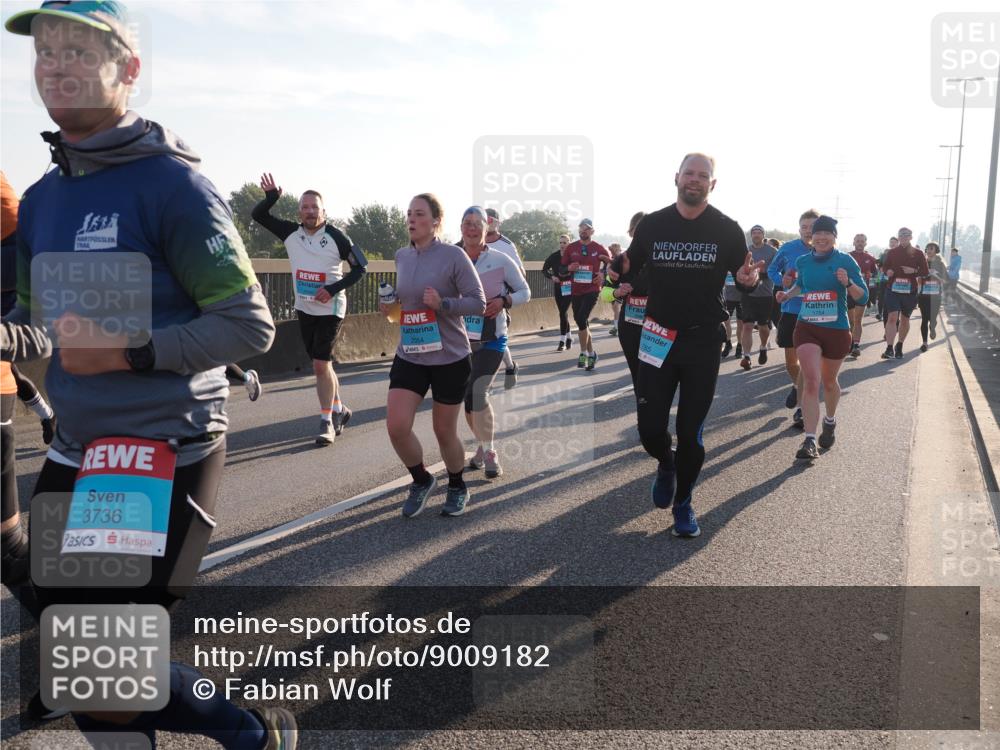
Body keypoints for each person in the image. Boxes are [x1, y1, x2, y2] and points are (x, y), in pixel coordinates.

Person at [4, 3, 292, 747]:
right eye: (44, 52)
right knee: (92, 680)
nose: (56, 65)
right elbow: (45, 327)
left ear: (128, 70)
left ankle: (252, 732)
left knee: (97, 671)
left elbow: (248, 326)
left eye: (78, 50)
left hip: (162, 451)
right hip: (75, 451)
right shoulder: (41, 201)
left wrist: (132, 352)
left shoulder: (175, 189)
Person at [625, 153, 764, 538]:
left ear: (712, 185)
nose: (695, 180)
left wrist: (748, 280)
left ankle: (684, 502)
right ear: (676, 178)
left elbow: (746, 276)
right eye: (690, 173)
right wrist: (613, 272)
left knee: (691, 432)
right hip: (656, 336)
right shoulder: (653, 224)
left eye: (703, 176)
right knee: (650, 429)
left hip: (702, 339)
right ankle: (666, 463)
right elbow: (629, 264)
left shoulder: (726, 228)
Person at [384, 194, 485, 518]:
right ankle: (422, 479)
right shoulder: (401, 256)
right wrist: (391, 307)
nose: (411, 219)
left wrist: (444, 304)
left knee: (444, 431)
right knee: (396, 425)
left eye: (419, 214)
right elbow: (403, 307)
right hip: (411, 353)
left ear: (436, 221)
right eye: (408, 213)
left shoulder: (453, 256)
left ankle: (457, 485)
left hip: (449, 357)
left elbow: (478, 302)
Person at [252, 174, 367, 444]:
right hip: (304, 308)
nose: (310, 212)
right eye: (305, 207)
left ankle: (326, 420)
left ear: (324, 211)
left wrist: (332, 289)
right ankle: (340, 408)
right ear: (299, 211)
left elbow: (361, 268)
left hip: (331, 309)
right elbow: (259, 216)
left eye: (315, 207)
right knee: (322, 365)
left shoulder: (338, 237)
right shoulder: (291, 233)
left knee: (319, 364)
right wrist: (270, 198)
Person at [775, 216, 867, 460]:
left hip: (836, 330)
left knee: (829, 382)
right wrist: (787, 294)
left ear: (835, 237)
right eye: (818, 234)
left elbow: (863, 296)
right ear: (812, 237)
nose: (822, 238)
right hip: (807, 327)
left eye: (828, 233)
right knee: (812, 381)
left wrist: (847, 283)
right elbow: (801, 286)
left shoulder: (845, 260)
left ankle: (830, 420)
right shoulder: (803, 261)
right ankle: (809, 440)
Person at [458, 206, 530, 479]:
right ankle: (481, 444)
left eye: (477, 223)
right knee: (467, 401)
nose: (472, 228)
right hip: (460, 339)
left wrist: (504, 301)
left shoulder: (501, 259)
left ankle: (489, 452)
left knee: (478, 392)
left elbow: (525, 291)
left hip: (492, 338)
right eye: (467, 223)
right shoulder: (452, 256)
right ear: (460, 227)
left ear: (486, 229)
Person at [1, 171, 56, 442]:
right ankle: (47, 415)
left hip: (11, 250)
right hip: (18, 250)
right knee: (8, 367)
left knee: (6, 364)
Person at [768, 209, 820, 429]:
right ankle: (797, 386)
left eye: (813, 227)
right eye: (804, 227)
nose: (808, 231)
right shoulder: (789, 248)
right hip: (791, 310)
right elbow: (772, 270)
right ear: (799, 229)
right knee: (791, 362)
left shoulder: (827, 252)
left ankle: (801, 407)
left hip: (816, 312)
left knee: (809, 363)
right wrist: (784, 281)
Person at [605, 211, 648, 391]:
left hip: (656, 328)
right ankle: (645, 417)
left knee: (654, 377)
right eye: (637, 230)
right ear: (630, 233)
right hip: (629, 326)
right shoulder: (621, 260)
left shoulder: (663, 260)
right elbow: (605, 293)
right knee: (638, 377)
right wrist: (617, 292)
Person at [561, 218, 611, 370]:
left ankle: (582, 353)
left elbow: (613, 263)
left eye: (587, 228)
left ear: (592, 231)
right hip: (576, 290)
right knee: (582, 322)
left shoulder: (599, 248)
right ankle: (591, 353)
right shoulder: (571, 248)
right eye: (581, 228)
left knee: (581, 318)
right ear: (578, 231)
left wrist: (603, 273)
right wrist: (570, 267)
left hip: (592, 289)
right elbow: (561, 269)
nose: (584, 231)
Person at [485, 208, 525, 389]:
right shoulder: (469, 242)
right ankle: (488, 377)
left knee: (494, 338)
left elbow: (521, 274)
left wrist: (505, 297)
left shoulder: (506, 245)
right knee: (476, 341)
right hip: (474, 300)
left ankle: (508, 368)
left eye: (491, 219)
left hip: (498, 299)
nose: (487, 223)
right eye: (484, 219)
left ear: (498, 222)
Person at [881, 227, 928, 360]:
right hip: (893, 289)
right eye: (901, 235)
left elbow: (925, 271)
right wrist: (887, 271)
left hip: (909, 291)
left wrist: (913, 271)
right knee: (892, 317)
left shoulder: (918, 253)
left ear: (911, 237)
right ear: (898, 237)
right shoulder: (892, 252)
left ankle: (899, 345)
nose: (904, 237)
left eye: (906, 235)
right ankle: (889, 348)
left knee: (905, 319)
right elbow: (885, 267)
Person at [737, 224, 776, 369]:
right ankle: (746, 356)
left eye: (759, 232)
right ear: (751, 235)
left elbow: (776, 270)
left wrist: (760, 274)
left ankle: (763, 347)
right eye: (754, 232)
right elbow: (739, 268)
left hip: (765, 294)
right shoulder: (746, 250)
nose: (756, 235)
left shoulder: (772, 251)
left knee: (763, 326)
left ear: (763, 235)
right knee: (747, 325)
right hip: (748, 294)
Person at [847, 233, 877, 358]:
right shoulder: (847, 256)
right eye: (857, 241)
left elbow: (876, 275)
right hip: (848, 292)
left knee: (858, 320)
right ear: (853, 242)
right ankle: (849, 342)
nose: (860, 243)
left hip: (863, 293)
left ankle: (856, 345)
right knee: (850, 321)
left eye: (862, 241)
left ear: (865, 243)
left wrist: (872, 278)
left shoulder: (870, 258)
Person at [542, 234, 573, 351]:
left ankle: (562, 341)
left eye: (565, 242)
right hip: (558, 287)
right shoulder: (554, 256)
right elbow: (544, 270)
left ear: (569, 243)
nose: (562, 245)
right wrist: (552, 277)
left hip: (569, 287)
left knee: (563, 312)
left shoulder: (572, 257)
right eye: (560, 242)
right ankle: (569, 337)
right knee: (562, 313)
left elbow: (578, 269)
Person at [918, 242, 946, 352]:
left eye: (931, 248)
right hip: (923, 295)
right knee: (924, 319)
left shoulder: (940, 264)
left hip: (935, 297)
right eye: (927, 248)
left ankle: (933, 327)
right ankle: (924, 343)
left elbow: (945, 280)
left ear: (936, 250)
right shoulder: (922, 263)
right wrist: (921, 276)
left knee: (932, 319)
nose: (929, 250)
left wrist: (935, 275)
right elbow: (918, 277)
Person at [607, 243, 623, 336]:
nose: (614, 252)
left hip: (621, 286)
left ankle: (616, 327)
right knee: (614, 307)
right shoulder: (610, 260)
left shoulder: (622, 259)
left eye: (616, 250)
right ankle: (618, 325)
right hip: (610, 287)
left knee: (616, 306)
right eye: (612, 250)